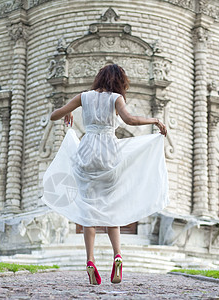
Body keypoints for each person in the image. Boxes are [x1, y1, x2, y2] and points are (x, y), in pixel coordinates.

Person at [42, 64, 169, 285]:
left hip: (86, 154)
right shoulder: (116, 98)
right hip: (109, 156)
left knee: (87, 210)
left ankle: (90, 260)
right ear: (119, 80)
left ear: (99, 78)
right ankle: (117, 255)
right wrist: (156, 121)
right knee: (112, 207)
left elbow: (54, 116)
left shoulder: (84, 97)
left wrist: (69, 110)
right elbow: (130, 120)